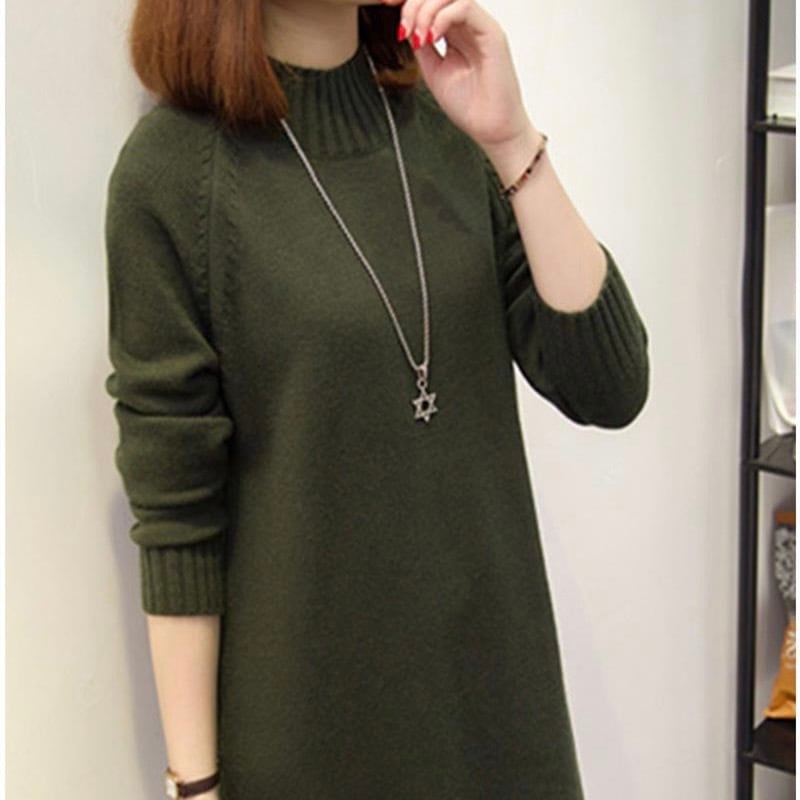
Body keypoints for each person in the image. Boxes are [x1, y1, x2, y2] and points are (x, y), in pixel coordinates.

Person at [103, 1, 650, 798]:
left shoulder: (446, 124)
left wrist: (510, 141)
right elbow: (176, 512)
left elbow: (609, 386)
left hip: (503, 717)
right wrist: (194, 784)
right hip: (311, 739)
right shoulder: (172, 174)